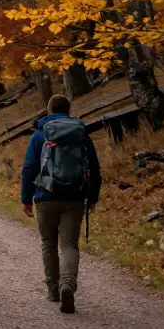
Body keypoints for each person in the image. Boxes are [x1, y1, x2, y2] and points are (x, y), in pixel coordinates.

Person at [20, 94, 102, 314]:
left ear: (48, 110)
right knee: (69, 245)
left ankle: (53, 289)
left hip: (46, 196)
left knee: (48, 242)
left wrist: (26, 199)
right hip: (75, 197)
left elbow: (29, 168)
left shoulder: (40, 134)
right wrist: (92, 197)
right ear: (68, 110)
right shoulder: (81, 134)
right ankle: (68, 284)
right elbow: (95, 169)